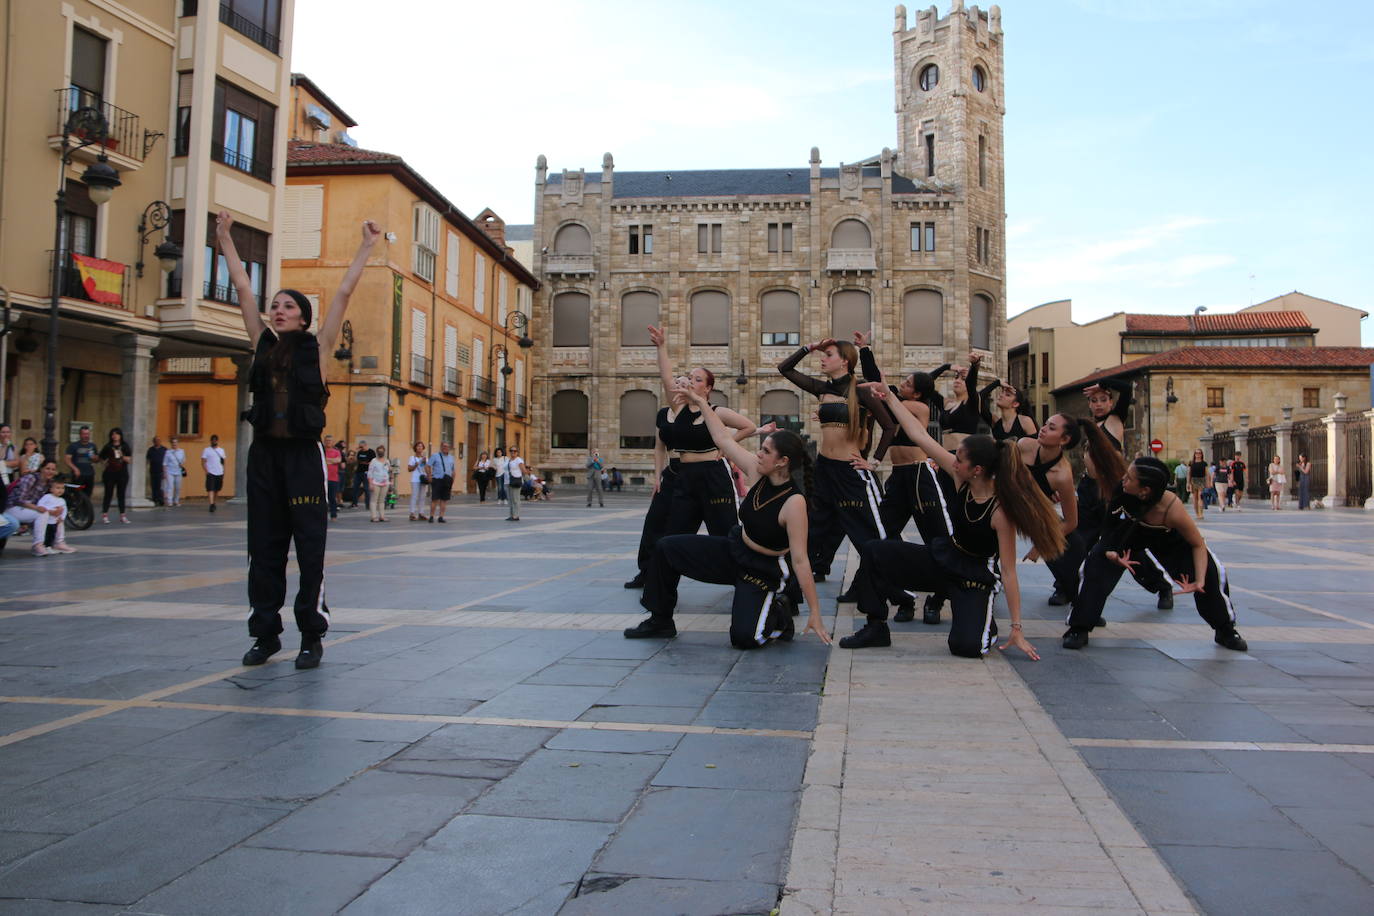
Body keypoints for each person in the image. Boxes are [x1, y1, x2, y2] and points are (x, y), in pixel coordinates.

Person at [219, 209, 380, 670]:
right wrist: (225, 238)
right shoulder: (261, 342)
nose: (278, 310)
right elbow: (242, 288)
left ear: (303, 317)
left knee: (310, 549)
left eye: (288, 306)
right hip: (265, 457)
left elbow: (345, 293)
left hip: (303, 459)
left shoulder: (321, 346)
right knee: (263, 549)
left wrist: (367, 246)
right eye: (276, 306)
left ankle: (312, 634)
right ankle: (265, 634)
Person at [839, 386, 1063, 658]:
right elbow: (919, 435)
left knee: (966, 647)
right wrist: (889, 396)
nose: (952, 463)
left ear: (976, 470)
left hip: (975, 576)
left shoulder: (1000, 512)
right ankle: (876, 627)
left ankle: (983, 621)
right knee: (875, 550)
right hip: (945, 559)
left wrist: (1016, 627)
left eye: (959, 459)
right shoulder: (961, 478)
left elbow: (1008, 571)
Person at [626, 381, 831, 650]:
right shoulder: (756, 471)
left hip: (762, 569)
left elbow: (801, 560)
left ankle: (779, 615)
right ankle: (660, 619)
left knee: (745, 638)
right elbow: (722, 438)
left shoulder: (794, 503)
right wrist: (699, 402)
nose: (759, 452)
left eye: (766, 451)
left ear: (782, 462)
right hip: (734, 550)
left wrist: (815, 611)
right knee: (666, 548)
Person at [1063, 457, 1248, 653]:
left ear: (1145, 490)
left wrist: (1200, 580)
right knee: (1095, 567)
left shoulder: (1173, 509)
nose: (1123, 479)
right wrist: (1111, 552)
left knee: (1211, 572)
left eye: (1129, 478)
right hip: (1127, 533)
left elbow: (1198, 545)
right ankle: (1079, 628)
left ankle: (1225, 630)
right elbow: (1109, 528)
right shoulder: (1122, 490)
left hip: (1167, 539)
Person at [777, 337, 895, 588]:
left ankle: (897, 591)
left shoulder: (861, 391)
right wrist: (809, 347)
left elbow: (889, 426)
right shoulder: (822, 389)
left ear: (844, 361)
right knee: (813, 527)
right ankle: (794, 590)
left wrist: (873, 462)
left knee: (868, 535)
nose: (822, 358)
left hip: (850, 471)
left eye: (828, 354)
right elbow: (785, 369)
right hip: (824, 469)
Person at [648, 325, 756, 537]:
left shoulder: (717, 412)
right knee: (674, 536)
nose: (690, 381)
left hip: (713, 475)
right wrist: (661, 347)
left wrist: (727, 449)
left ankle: (734, 570)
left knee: (724, 532)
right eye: (690, 377)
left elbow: (749, 426)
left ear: (707, 389)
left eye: (697, 379)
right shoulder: (679, 408)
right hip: (686, 476)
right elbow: (667, 379)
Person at [869, 364, 946, 623]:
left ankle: (938, 598)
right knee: (882, 533)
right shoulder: (901, 401)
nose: (903, 385)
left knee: (937, 538)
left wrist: (882, 391)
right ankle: (903, 597)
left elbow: (888, 401)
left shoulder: (918, 408)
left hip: (919, 476)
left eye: (909, 384)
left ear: (918, 394)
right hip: (899, 478)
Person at [625, 379, 689, 589]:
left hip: (693, 474)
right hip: (671, 473)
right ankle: (646, 572)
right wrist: (657, 477)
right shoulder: (663, 414)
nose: (678, 385)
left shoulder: (696, 413)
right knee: (653, 523)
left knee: (682, 528)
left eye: (684, 383)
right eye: (676, 382)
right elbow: (659, 447)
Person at [8, 460, 77, 556]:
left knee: (57, 516)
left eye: (53, 469)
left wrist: (55, 511)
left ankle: (58, 543)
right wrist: (37, 508)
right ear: (41, 469)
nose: (50, 471)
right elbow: (19, 500)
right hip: (13, 507)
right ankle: (38, 545)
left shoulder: (49, 482)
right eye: (47, 468)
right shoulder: (30, 478)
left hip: (30, 508)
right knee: (43, 514)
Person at [98, 427, 133, 524]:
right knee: (108, 494)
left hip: (122, 473)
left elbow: (129, 460)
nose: (115, 436)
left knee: (121, 494)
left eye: (117, 434)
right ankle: (105, 515)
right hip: (109, 473)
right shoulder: (108, 446)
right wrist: (104, 463)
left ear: (120, 435)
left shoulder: (125, 446)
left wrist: (122, 456)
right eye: (113, 434)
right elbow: (101, 457)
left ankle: (123, 515)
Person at [37, 480, 77, 552]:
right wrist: (51, 511)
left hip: (56, 520)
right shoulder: (47, 497)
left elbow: (64, 510)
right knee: (47, 534)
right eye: (57, 488)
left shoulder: (62, 500)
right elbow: (40, 505)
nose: (60, 490)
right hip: (47, 520)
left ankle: (58, 543)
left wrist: (62, 518)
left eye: (62, 488)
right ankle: (46, 546)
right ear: (51, 489)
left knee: (56, 532)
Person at [64, 425, 97, 495]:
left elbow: (96, 460)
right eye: (84, 434)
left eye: (87, 434)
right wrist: (75, 469)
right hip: (78, 475)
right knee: (77, 494)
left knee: (88, 494)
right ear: (80, 435)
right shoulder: (73, 446)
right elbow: (67, 459)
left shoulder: (92, 446)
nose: (86, 436)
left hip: (89, 474)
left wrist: (95, 458)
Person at [429, 441, 455, 522]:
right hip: (437, 479)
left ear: (449, 448)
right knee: (435, 499)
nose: (445, 448)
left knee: (444, 499)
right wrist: (429, 475)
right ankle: (431, 516)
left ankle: (441, 517)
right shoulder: (435, 456)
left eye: (447, 447)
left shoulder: (451, 458)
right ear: (441, 447)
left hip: (447, 480)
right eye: (444, 446)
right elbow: (427, 466)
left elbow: (453, 470)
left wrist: (452, 481)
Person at [201, 434, 227, 512]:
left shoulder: (221, 450)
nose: (214, 441)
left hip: (219, 472)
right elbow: (203, 462)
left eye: (215, 440)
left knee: (216, 489)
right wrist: (206, 471)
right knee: (210, 488)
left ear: (217, 441)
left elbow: (223, 462)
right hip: (210, 472)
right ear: (211, 441)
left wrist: (224, 472)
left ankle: (214, 502)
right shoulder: (206, 450)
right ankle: (211, 504)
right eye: (213, 440)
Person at [407, 442, 430, 521]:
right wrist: (416, 464)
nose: (420, 448)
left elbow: (427, 468)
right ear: (415, 448)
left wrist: (429, 476)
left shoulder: (425, 458)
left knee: (422, 497)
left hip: (423, 478)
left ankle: (421, 513)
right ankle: (412, 513)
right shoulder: (412, 458)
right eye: (418, 446)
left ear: (423, 448)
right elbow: (409, 469)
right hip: (415, 479)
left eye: (421, 446)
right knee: (414, 496)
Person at [368, 445, 391, 521]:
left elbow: (389, 471)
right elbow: (370, 473)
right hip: (375, 482)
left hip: (385, 483)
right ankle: (374, 516)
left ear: (384, 452)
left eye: (382, 451)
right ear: (377, 452)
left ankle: (382, 516)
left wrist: (391, 480)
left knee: (382, 500)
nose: (381, 452)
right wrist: (370, 483)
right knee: (374, 500)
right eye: (379, 451)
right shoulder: (373, 461)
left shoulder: (387, 461)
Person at [322, 434, 342, 520]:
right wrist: (332, 460)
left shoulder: (336, 451)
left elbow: (338, 460)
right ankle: (322, 515)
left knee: (332, 498)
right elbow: (320, 460)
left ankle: (333, 515)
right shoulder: (322, 451)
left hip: (333, 478)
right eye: (326, 441)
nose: (328, 442)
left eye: (330, 441)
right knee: (322, 498)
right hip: (322, 479)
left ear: (333, 442)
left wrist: (327, 460)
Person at [163, 436, 186, 507]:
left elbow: (183, 460)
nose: (174, 444)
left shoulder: (182, 451)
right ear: (171, 443)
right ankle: (169, 501)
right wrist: (164, 472)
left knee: (178, 487)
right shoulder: (168, 452)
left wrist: (181, 463)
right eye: (173, 442)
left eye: (175, 442)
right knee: (170, 486)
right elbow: (165, 463)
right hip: (170, 471)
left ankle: (176, 501)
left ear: (178, 443)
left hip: (178, 471)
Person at [1187, 449, 1209, 520]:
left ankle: (1201, 513)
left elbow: (1207, 474)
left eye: (1199, 453)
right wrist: (1188, 483)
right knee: (1195, 499)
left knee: (1200, 497)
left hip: (1201, 480)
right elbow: (1189, 474)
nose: (1198, 454)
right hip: (1193, 480)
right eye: (1196, 453)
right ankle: (1197, 513)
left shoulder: (1204, 463)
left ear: (1202, 454)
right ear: (1194, 454)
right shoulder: (1191, 463)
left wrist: (1208, 482)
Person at [351, 439, 374, 508]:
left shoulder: (371, 452)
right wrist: (356, 452)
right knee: (355, 488)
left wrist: (365, 463)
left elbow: (372, 462)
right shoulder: (359, 452)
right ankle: (354, 503)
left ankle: (368, 504)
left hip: (366, 472)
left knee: (366, 489)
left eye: (362, 447)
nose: (361, 448)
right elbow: (356, 460)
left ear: (365, 445)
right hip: (358, 472)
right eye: (360, 447)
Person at [146, 436, 167, 507]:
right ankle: (155, 499)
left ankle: (161, 500)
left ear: (160, 441)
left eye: (158, 440)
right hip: (153, 470)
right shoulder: (150, 449)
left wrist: (165, 471)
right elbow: (147, 460)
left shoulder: (164, 449)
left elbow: (167, 460)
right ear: (153, 442)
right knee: (154, 486)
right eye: (155, 440)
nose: (157, 442)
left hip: (161, 471)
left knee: (160, 486)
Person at [505, 447, 525, 520]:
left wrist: (524, 478)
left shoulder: (518, 460)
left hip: (516, 480)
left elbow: (523, 470)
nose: (513, 452)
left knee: (516, 499)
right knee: (511, 499)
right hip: (509, 480)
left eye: (515, 451)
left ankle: (516, 516)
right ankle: (511, 515)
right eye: (511, 451)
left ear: (517, 452)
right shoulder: (509, 460)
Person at [0, 423, 19, 489]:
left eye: (8, 432)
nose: (6, 434)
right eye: (3, 432)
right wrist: (4, 446)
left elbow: (16, 462)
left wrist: (4, 463)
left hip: (9, 475)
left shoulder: (13, 447)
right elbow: (1, 457)